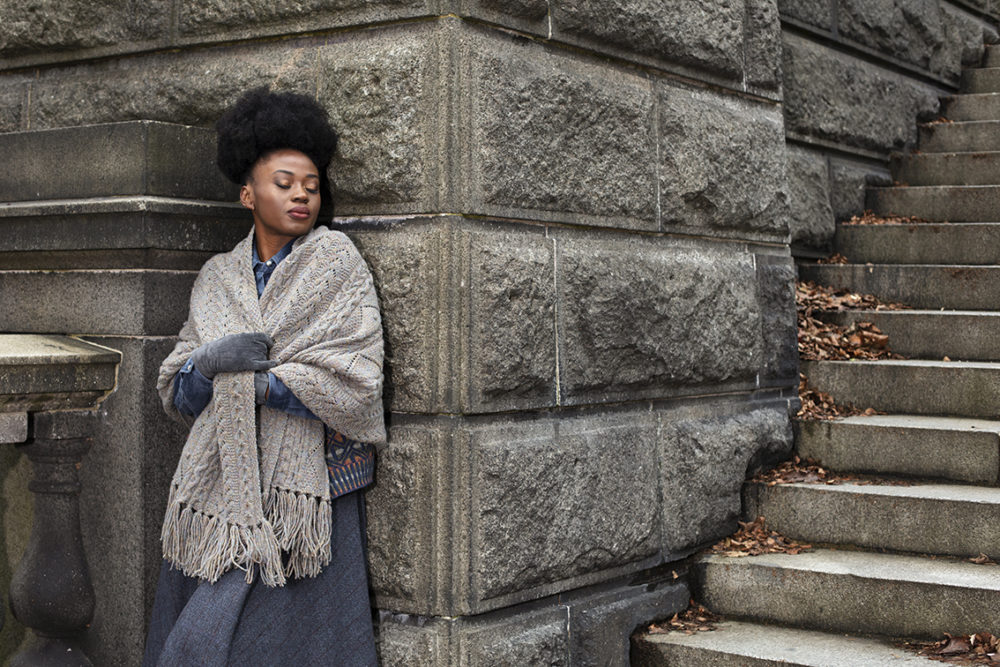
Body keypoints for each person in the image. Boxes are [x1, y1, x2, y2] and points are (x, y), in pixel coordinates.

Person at [144, 87, 385, 666]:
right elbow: (178, 391)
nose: (301, 194)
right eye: (284, 182)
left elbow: (356, 382)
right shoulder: (217, 277)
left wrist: (262, 385)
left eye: (311, 184)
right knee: (199, 642)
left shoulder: (336, 262)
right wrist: (209, 363)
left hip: (306, 498)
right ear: (248, 193)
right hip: (219, 489)